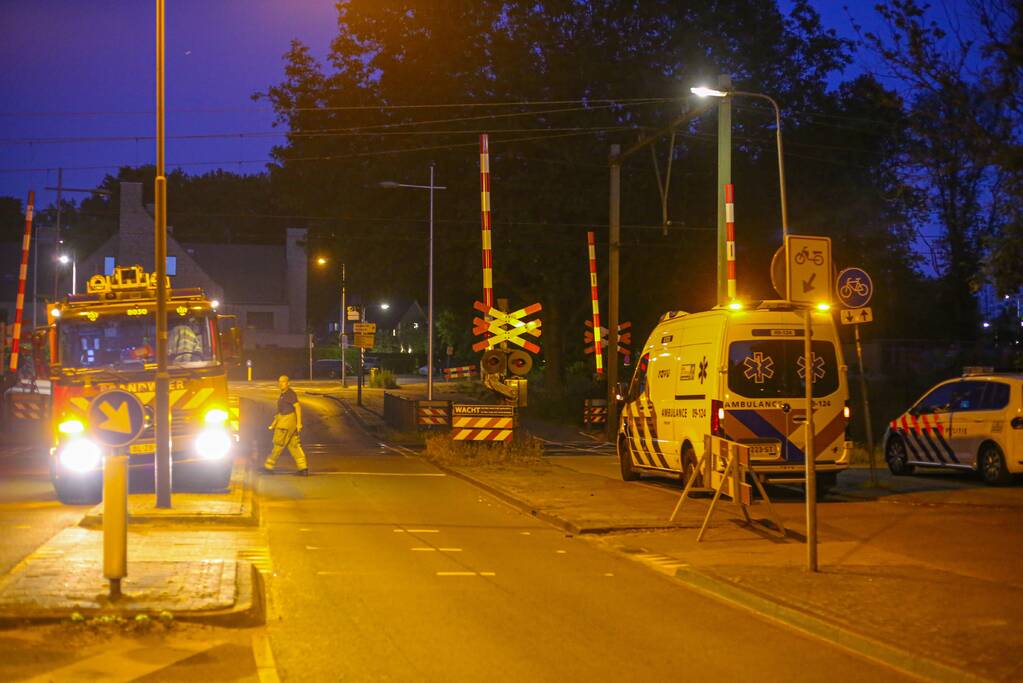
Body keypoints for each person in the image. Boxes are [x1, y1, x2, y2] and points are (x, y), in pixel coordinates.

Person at [262, 375, 309, 476]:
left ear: (288, 383)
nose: (281, 383)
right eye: (279, 381)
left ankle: (268, 467)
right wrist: (274, 423)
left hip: (286, 422)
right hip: (287, 422)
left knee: (278, 444)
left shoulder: (290, 394)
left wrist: (299, 423)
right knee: (294, 445)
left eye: (283, 381)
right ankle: (303, 468)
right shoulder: (283, 394)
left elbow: (297, 407)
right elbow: (280, 412)